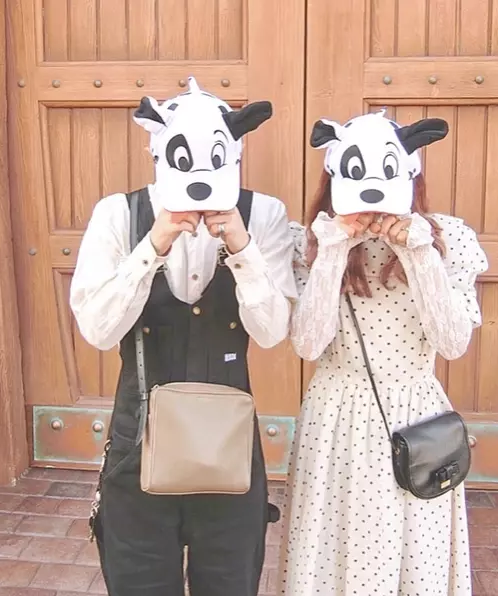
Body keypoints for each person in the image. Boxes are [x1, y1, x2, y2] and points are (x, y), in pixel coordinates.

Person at [70, 77, 297, 596]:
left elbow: (270, 332)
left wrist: (241, 248)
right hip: (137, 443)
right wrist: (152, 245)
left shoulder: (263, 215)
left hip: (230, 451)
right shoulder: (118, 214)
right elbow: (98, 329)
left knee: (231, 586)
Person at [279, 111, 489, 595]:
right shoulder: (313, 239)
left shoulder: (447, 238)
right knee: (333, 548)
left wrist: (419, 254)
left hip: (416, 413)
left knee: (416, 551)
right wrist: (333, 249)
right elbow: (308, 343)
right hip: (337, 414)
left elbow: (453, 342)